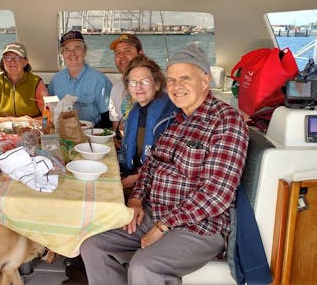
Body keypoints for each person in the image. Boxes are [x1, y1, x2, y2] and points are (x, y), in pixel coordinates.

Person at [80, 43, 249, 285]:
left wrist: (163, 226)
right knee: (93, 245)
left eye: (184, 78)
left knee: (145, 266)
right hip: (155, 212)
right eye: (171, 80)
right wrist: (136, 199)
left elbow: (217, 193)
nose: (176, 87)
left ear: (205, 79)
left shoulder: (225, 121)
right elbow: (150, 167)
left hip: (199, 225)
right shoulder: (178, 121)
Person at [119, 55, 177, 195]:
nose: (138, 87)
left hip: (156, 188)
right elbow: (125, 152)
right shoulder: (134, 113)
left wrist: (139, 178)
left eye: (144, 81)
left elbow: (174, 166)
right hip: (132, 176)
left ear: (157, 84)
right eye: (133, 82)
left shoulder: (171, 116)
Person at [48, 31, 112, 128]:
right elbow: (49, 109)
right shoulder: (56, 80)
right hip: (63, 132)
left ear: (84, 51)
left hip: (92, 132)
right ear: (63, 54)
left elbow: (108, 117)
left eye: (77, 48)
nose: (72, 53)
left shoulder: (99, 80)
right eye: (67, 49)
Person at [0, 42, 48, 126]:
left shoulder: (37, 83)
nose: (12, 61)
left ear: (25, 62)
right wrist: (18, 121)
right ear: (3, 61)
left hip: (31, 132)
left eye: (17, 58)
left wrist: (28, 123)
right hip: (3, 133)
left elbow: (48, 117)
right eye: (8, 57)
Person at [108, 34, 144, 134]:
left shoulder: (153, 86)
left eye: (127, 51)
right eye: (117, 53)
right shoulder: (116, 88)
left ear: (141, 54)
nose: (122, 57)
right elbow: (115, 125)